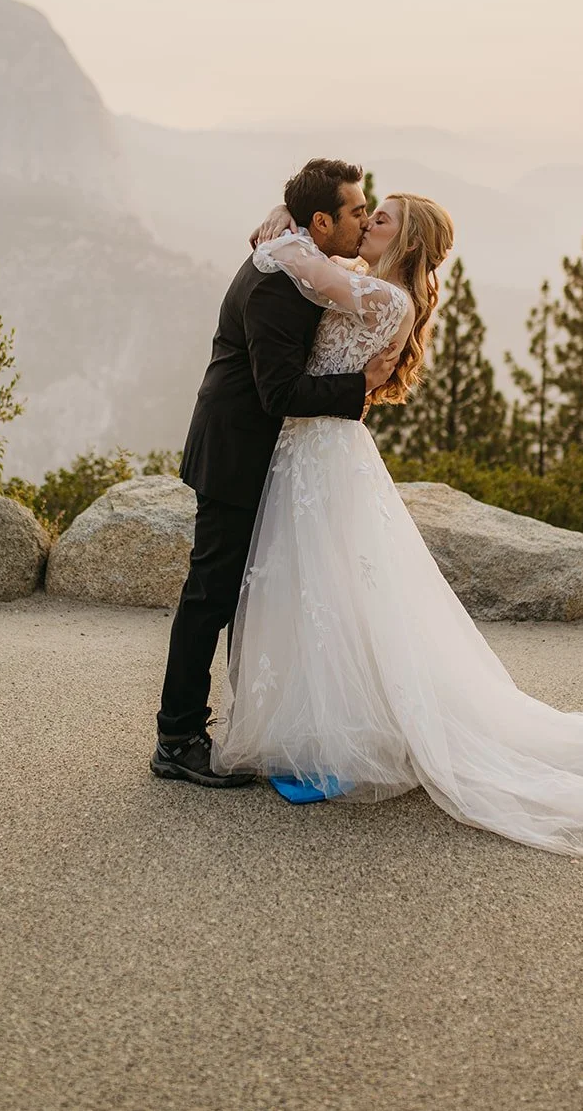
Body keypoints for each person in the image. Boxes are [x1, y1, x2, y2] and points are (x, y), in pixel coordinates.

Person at [210, 191, 583, 854]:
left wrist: (282, 233)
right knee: (307, 590)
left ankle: (335, 736)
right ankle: (308, 728)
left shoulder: (384, 299)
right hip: (305, 450)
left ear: (407, 242)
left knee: (331, 591)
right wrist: (288, 231)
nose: (367, 223)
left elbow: (304, 271)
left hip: (323, 453)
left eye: (380, 218)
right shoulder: (371, 288)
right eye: (366, 213)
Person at [151, 158, 401, 787]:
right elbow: (279, 393)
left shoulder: (296, 255)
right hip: (236, 453)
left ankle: (253, 726)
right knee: (210, 593)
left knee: (245, 596)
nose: (363, 219)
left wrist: (280, 214)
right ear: (321, 223)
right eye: (353, 211)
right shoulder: (278, 283)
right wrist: (360, 386)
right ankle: (177, 739)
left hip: (262, 453)